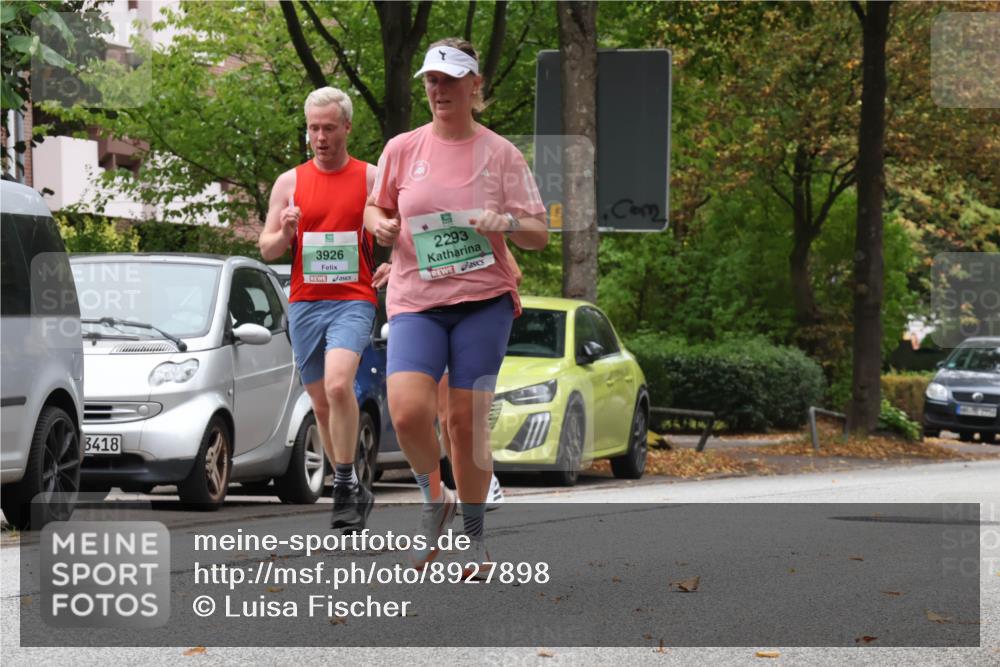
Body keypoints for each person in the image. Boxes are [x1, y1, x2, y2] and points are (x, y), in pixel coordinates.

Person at [364, 38, 548, 572]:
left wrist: (506, 223)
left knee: (466, 425)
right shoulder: (403, 148)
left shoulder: (501, 154)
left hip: (483, 300)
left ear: (475, 86)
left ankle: (473, 539)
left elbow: (539, 233)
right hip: (417, 298)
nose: (438, 89)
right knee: (407, 410)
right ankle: (432, 499)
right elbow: (376, 208)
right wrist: (380, 224)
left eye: (448, 80)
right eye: (430, 80)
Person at [259, 87, 378, 531]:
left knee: (338, 384)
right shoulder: (289, 183)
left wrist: (394, 265)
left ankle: (344, 483)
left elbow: (393, 228)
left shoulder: (370, 178)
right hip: (305, 303)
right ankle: (352, 486)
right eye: (313, 128)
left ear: (347, 127)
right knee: (321, 405)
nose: (320, 137)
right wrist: (286, 232)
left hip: (354, 298)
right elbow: (267, 248)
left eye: (329, 128)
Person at [371, 254, 524, 511]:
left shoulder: (473, 221)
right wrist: (397, 269)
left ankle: (478, 485)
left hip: (466, 318)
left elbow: (514, 273)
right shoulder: (414, 222)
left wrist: (459, 276)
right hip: (425, 320)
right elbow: (407, 255)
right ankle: (456, 489)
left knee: (459, 418)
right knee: (441, 418)